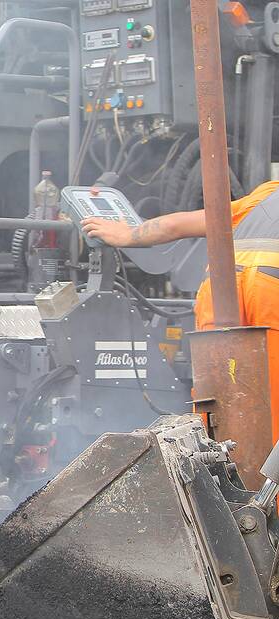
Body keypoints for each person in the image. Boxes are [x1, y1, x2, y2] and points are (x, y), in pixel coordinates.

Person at [81, 180, 279, 443]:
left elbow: (178, 225)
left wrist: (127, 235)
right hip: (271, 293)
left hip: (220, 288)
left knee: (216, 398)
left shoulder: (268, 194)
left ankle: (214, 467)